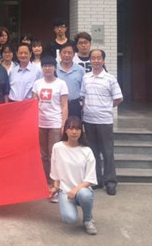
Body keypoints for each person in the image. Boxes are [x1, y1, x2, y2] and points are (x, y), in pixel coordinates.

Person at [81, 49, 123, 196]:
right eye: (93, 58)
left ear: (103, 60)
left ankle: (110, 182)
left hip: (104, 121)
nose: (96, 61)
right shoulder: (86, 77)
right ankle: (96, 180)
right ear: (90, 61)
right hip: (88, 120)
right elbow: (83, 97)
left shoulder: (110, 78)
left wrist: (106, 107)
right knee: (93, 152)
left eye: (99, 58)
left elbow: (119, 98)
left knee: (107, 152)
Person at [49, 116, 98, 235]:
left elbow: (90, 179)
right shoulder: (57, 147)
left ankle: (87, 219)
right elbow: (55, 171)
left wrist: (76, 189)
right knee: (69, 219)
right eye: (71, 128)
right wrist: (55, 187)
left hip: (82, 190)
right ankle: (74, 206)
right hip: (65, 191)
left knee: (85, 195)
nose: (74, 132)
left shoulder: (87, 151)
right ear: (65, 130)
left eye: (77, 129)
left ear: (81, 131)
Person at [33, 56, 69, 201]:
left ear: (55, 67)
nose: (47, 68)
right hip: (40, 123)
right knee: (42, 156)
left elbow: (64, 105)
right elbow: (33, 103)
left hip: (55, 123)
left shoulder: (61, 84)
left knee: (53, 155)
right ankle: (45, 184)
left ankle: (56, 186)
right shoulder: (37, 83)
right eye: (45, 66)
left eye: (50, 66)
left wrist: (64, 124)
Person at [56, 43, 85, 119]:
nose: (67, 55)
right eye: (64, 52)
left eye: (69, 53)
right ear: (60, 54)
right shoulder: (54, 69)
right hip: (57, 105)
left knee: (74, 126)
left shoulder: (80, 70)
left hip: (74, 105)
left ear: (74, 54)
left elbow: (84, 89)